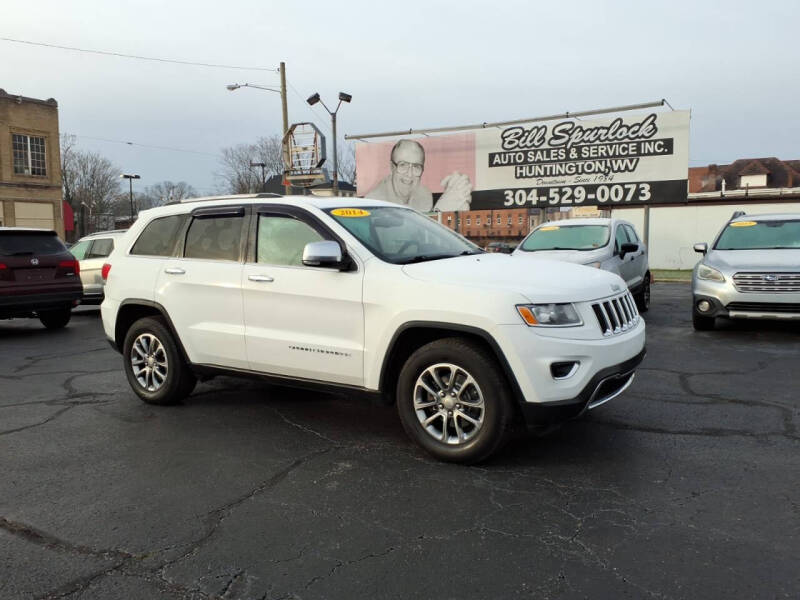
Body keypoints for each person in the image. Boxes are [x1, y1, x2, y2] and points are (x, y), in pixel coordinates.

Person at [366, 139, 472, 212]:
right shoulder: (374, 202)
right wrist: (440, 211)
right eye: (403, 165)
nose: (409, 174)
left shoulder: (425, 195)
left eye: (416, 166)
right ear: (392, 167)